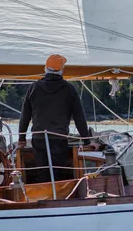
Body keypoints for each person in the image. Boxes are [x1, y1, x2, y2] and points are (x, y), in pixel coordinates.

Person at [18, 54, 89, 183]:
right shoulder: (69, 89)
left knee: (42, 171)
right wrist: (87, 141)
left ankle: (43, 196)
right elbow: (79, 117)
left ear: (45, 68)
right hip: (59, 138)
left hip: (39, 138)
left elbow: (25, 116)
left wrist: (22, 138)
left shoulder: (33, 88)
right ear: (62, 70)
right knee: (58, 172)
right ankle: (59, 196)